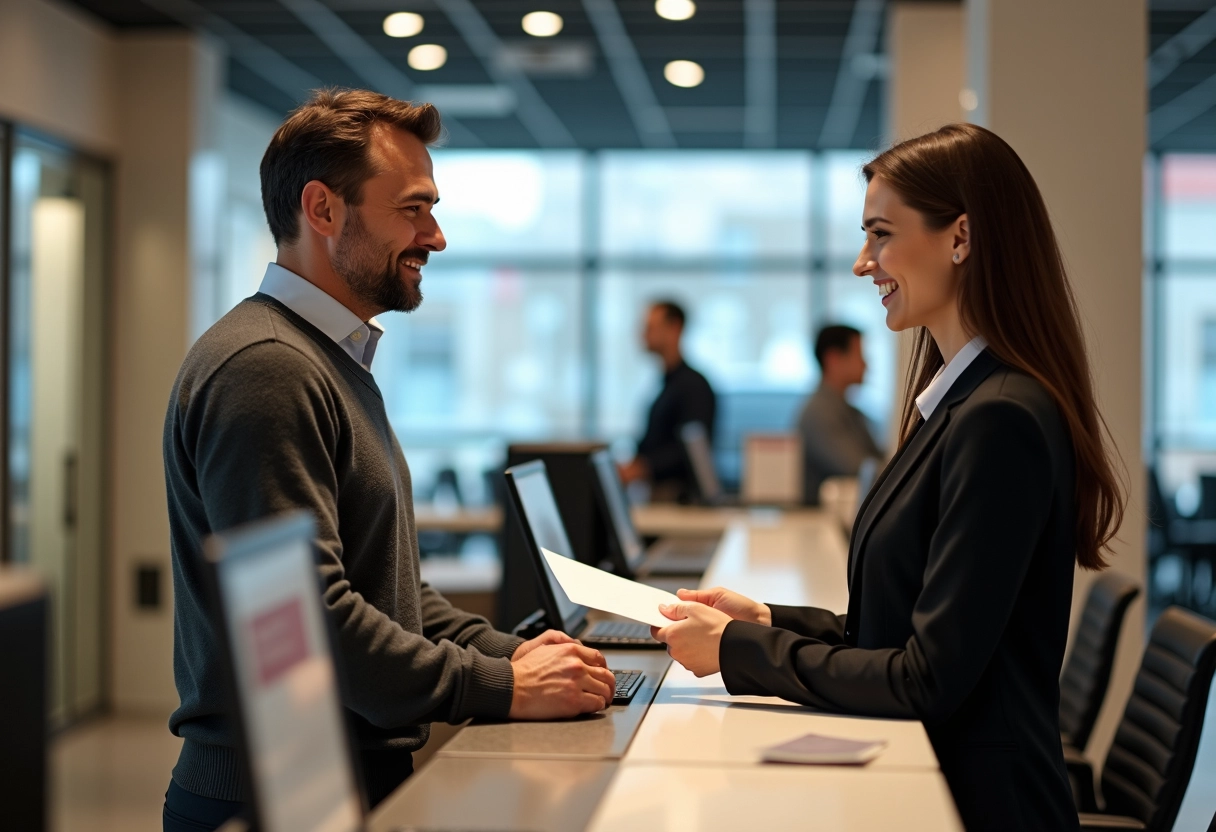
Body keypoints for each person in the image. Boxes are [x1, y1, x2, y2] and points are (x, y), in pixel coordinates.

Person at [651, 123, 1125, 832]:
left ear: (960, 239)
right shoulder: (959, 405)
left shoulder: (1000, 419)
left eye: (879, 234)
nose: (861, 262)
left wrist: (738, 651)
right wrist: (767, 620)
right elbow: (900, 630)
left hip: (980, 804)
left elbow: (924, 678)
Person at [162, 90, 615, 831]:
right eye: (413, 208)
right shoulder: (267, 367)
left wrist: (525, 656)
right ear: (323, 209)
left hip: (328, 780)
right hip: (279, 796)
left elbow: (387, 587)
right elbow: (307, 621)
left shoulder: (327, 361)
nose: (435, 236)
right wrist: (500, 685)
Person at [619, 300, 716, 501]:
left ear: (675, 328)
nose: (643, 335)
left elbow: (689, 452)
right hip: (659, 494)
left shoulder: (693, 386)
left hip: (679, 499)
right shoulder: (666, 383)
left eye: (650, 328)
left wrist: (641, 468)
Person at [796, 324, 883, 504]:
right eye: (859, 355)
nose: (865, 364)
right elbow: (859, 468)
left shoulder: (848, 410)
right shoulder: (818, 413)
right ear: (833, 359)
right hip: (823, 523)